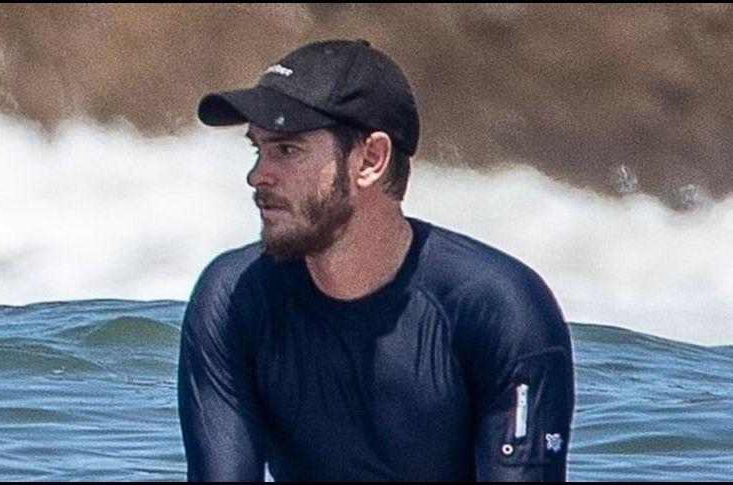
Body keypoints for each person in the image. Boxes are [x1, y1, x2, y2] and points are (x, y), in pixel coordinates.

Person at [178, 39, 574, 482]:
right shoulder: (233, 299)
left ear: (371, 159)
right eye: (258, 150)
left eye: (287, 150)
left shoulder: (500, 309)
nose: (257, 175)